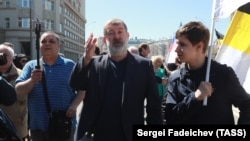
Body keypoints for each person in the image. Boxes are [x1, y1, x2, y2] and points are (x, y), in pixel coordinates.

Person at [70, 18, 162, 141]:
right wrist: (86, 59)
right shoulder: (93, 63)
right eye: (111, 33)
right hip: (95, 135)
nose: (116, 36)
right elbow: (75, 84)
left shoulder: (144, 66)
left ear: (127, 35)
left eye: (120, 32)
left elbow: (153, 107)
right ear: (104, 39)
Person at [164, 21, 250, 124]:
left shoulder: (223, 74)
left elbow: (247, 105)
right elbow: (169, 117)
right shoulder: (175, 78)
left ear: (199, 46)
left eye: (182, 44)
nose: (176, 49)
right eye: (177, 44)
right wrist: (194, 98)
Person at [15, 31, 85, 141]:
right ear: (39, 46)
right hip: (38, 127)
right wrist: (32, 81)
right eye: (43, 41)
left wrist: (74, 105)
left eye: (51, 41)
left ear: (59, 45)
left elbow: (82, 89)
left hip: (64, 125)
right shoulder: (31, 66)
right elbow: (19, 90)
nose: (47, 44)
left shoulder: (70, 65)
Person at [0, 43, 29, 141]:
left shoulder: (22, 75)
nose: (1, 58)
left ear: (12, 58)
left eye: (5, 55)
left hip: (18, 129)